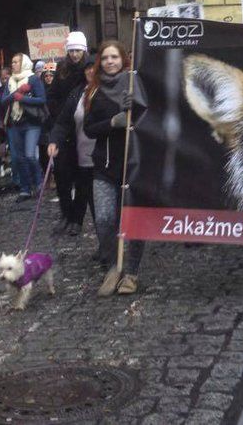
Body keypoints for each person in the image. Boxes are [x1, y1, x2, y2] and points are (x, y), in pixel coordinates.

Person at [84, 40, 143, 295]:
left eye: (114, 57)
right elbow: (88, 128)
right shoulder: (94, 91)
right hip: (104, 167)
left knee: (133, 221)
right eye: (105, 58)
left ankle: (131, 272)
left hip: (133, 165)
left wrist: (137, 108)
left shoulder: (134, 84)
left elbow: (151, 118)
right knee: (105, 219)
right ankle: (112, 265)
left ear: (123, 60)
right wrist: (113, 122)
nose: (110, 62)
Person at [47, 56, 97, 237]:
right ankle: (71, 218)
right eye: (87, 69)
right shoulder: (78, 92)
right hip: (81, 150)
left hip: (104, 154)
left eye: (94, 67)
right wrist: (54, 140)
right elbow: (63, 121)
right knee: (75, 185)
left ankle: (80, 222)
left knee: (98, 203)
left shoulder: (107, 90)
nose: (91, 71)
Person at [1, 54, 48, 201]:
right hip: (15, 123)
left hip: (31, 122)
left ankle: (39, 183)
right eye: (13, 62)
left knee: (30, 155)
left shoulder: (33, 79)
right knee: (18, 158)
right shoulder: (10, 81)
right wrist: (18, 92)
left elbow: (42, 99)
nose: (13, 64)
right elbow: (4, 100)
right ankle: (25, 189)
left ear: (24, 63)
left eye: (16, 62)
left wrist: (24, 98)